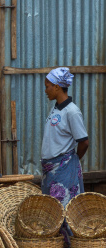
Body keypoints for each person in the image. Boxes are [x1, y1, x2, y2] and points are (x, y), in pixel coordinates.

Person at [42, 67, 88, 207]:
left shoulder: (72, 112)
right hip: (51, 170)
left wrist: (70, 162)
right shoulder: (56, 108)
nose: (45, 90)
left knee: (65, 211)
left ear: (56, 87)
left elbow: (84, 142)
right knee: (52, 213)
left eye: (47, 87)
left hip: (64, 169)